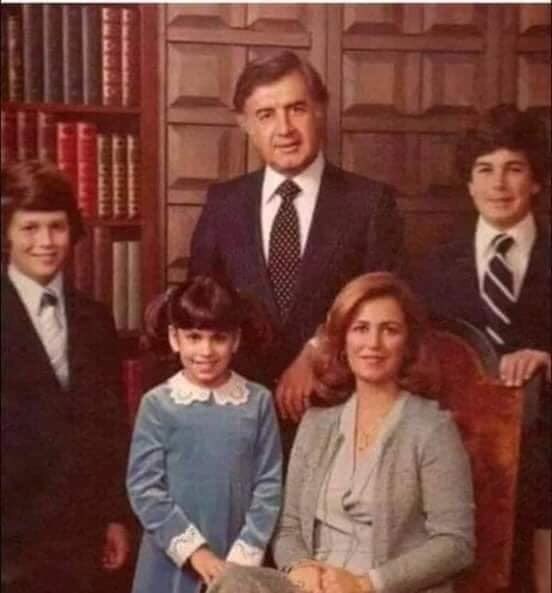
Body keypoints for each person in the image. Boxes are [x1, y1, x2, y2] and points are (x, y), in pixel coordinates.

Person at [209, 272, 475, 593]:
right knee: (233, 581)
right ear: (343, 341)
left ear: (407, 344)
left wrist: (365, 584)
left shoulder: (432, 428)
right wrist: (301, 566)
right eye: (360, 328)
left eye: (389, 330)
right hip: (312, 586)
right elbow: (289, 526)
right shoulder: (316, 423)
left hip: (385, 587)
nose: (373, 344)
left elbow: (455, 543)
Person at [189, 50, 403, 433]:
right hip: (240, 416)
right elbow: (201, 307)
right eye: (266, 115)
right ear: (245, 125)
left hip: (337, 411)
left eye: (297, 109)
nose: (284, 128)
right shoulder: (223, 203)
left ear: (320, 110)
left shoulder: (370, 203)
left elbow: (384, 307)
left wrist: (317, 352)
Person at [413, 104, 550, 593]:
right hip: (458, 459)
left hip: (544, 463)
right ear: (469, 183)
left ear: (536, 181)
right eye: (485, 169)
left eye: (515, 168)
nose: (499, 184)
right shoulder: (431, 265)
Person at [1, 160, 131, 593]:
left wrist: (115, 516)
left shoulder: (95, 319)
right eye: (30, 228)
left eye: (57, 227)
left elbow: (112, 428)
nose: (45, 242)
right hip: (10, 542)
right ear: (6, 233)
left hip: (83, 538)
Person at [126, 276, 283, 593]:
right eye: (194, 337)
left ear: (236, 339)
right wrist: (195, 553)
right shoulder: (158, 404)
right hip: (170, 561)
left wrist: (244, 555)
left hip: (237, 558)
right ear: (175, 338)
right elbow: (144, 488)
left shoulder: (258, 401)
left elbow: (269, 483)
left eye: (218, 338)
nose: (206, 351)